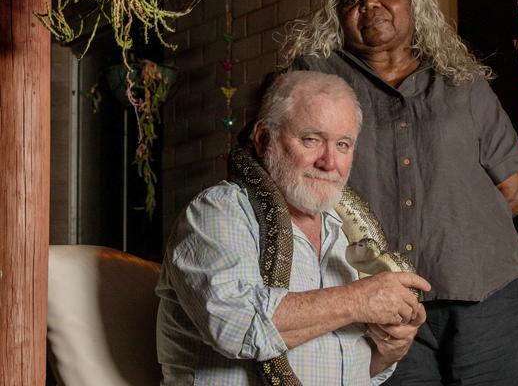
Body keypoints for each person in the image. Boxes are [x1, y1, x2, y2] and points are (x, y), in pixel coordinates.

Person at [280, 0, 518, 385]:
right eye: (353, 0)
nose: (370, 5)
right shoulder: (316, 83)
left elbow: (512, 193)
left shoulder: (462, 82)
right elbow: (286, 176)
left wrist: (453, 239)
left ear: (411, 1)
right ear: (339, 17)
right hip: (378, 304)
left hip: (484, 291)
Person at [156, 70, 431, 385]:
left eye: (343, 145)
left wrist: (388, 349)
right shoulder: (219, 211)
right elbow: (234, 326)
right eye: (311, 140)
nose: (329, 162)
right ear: (263, 139)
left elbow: (350, 367)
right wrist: (358, 300)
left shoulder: (346, 235)